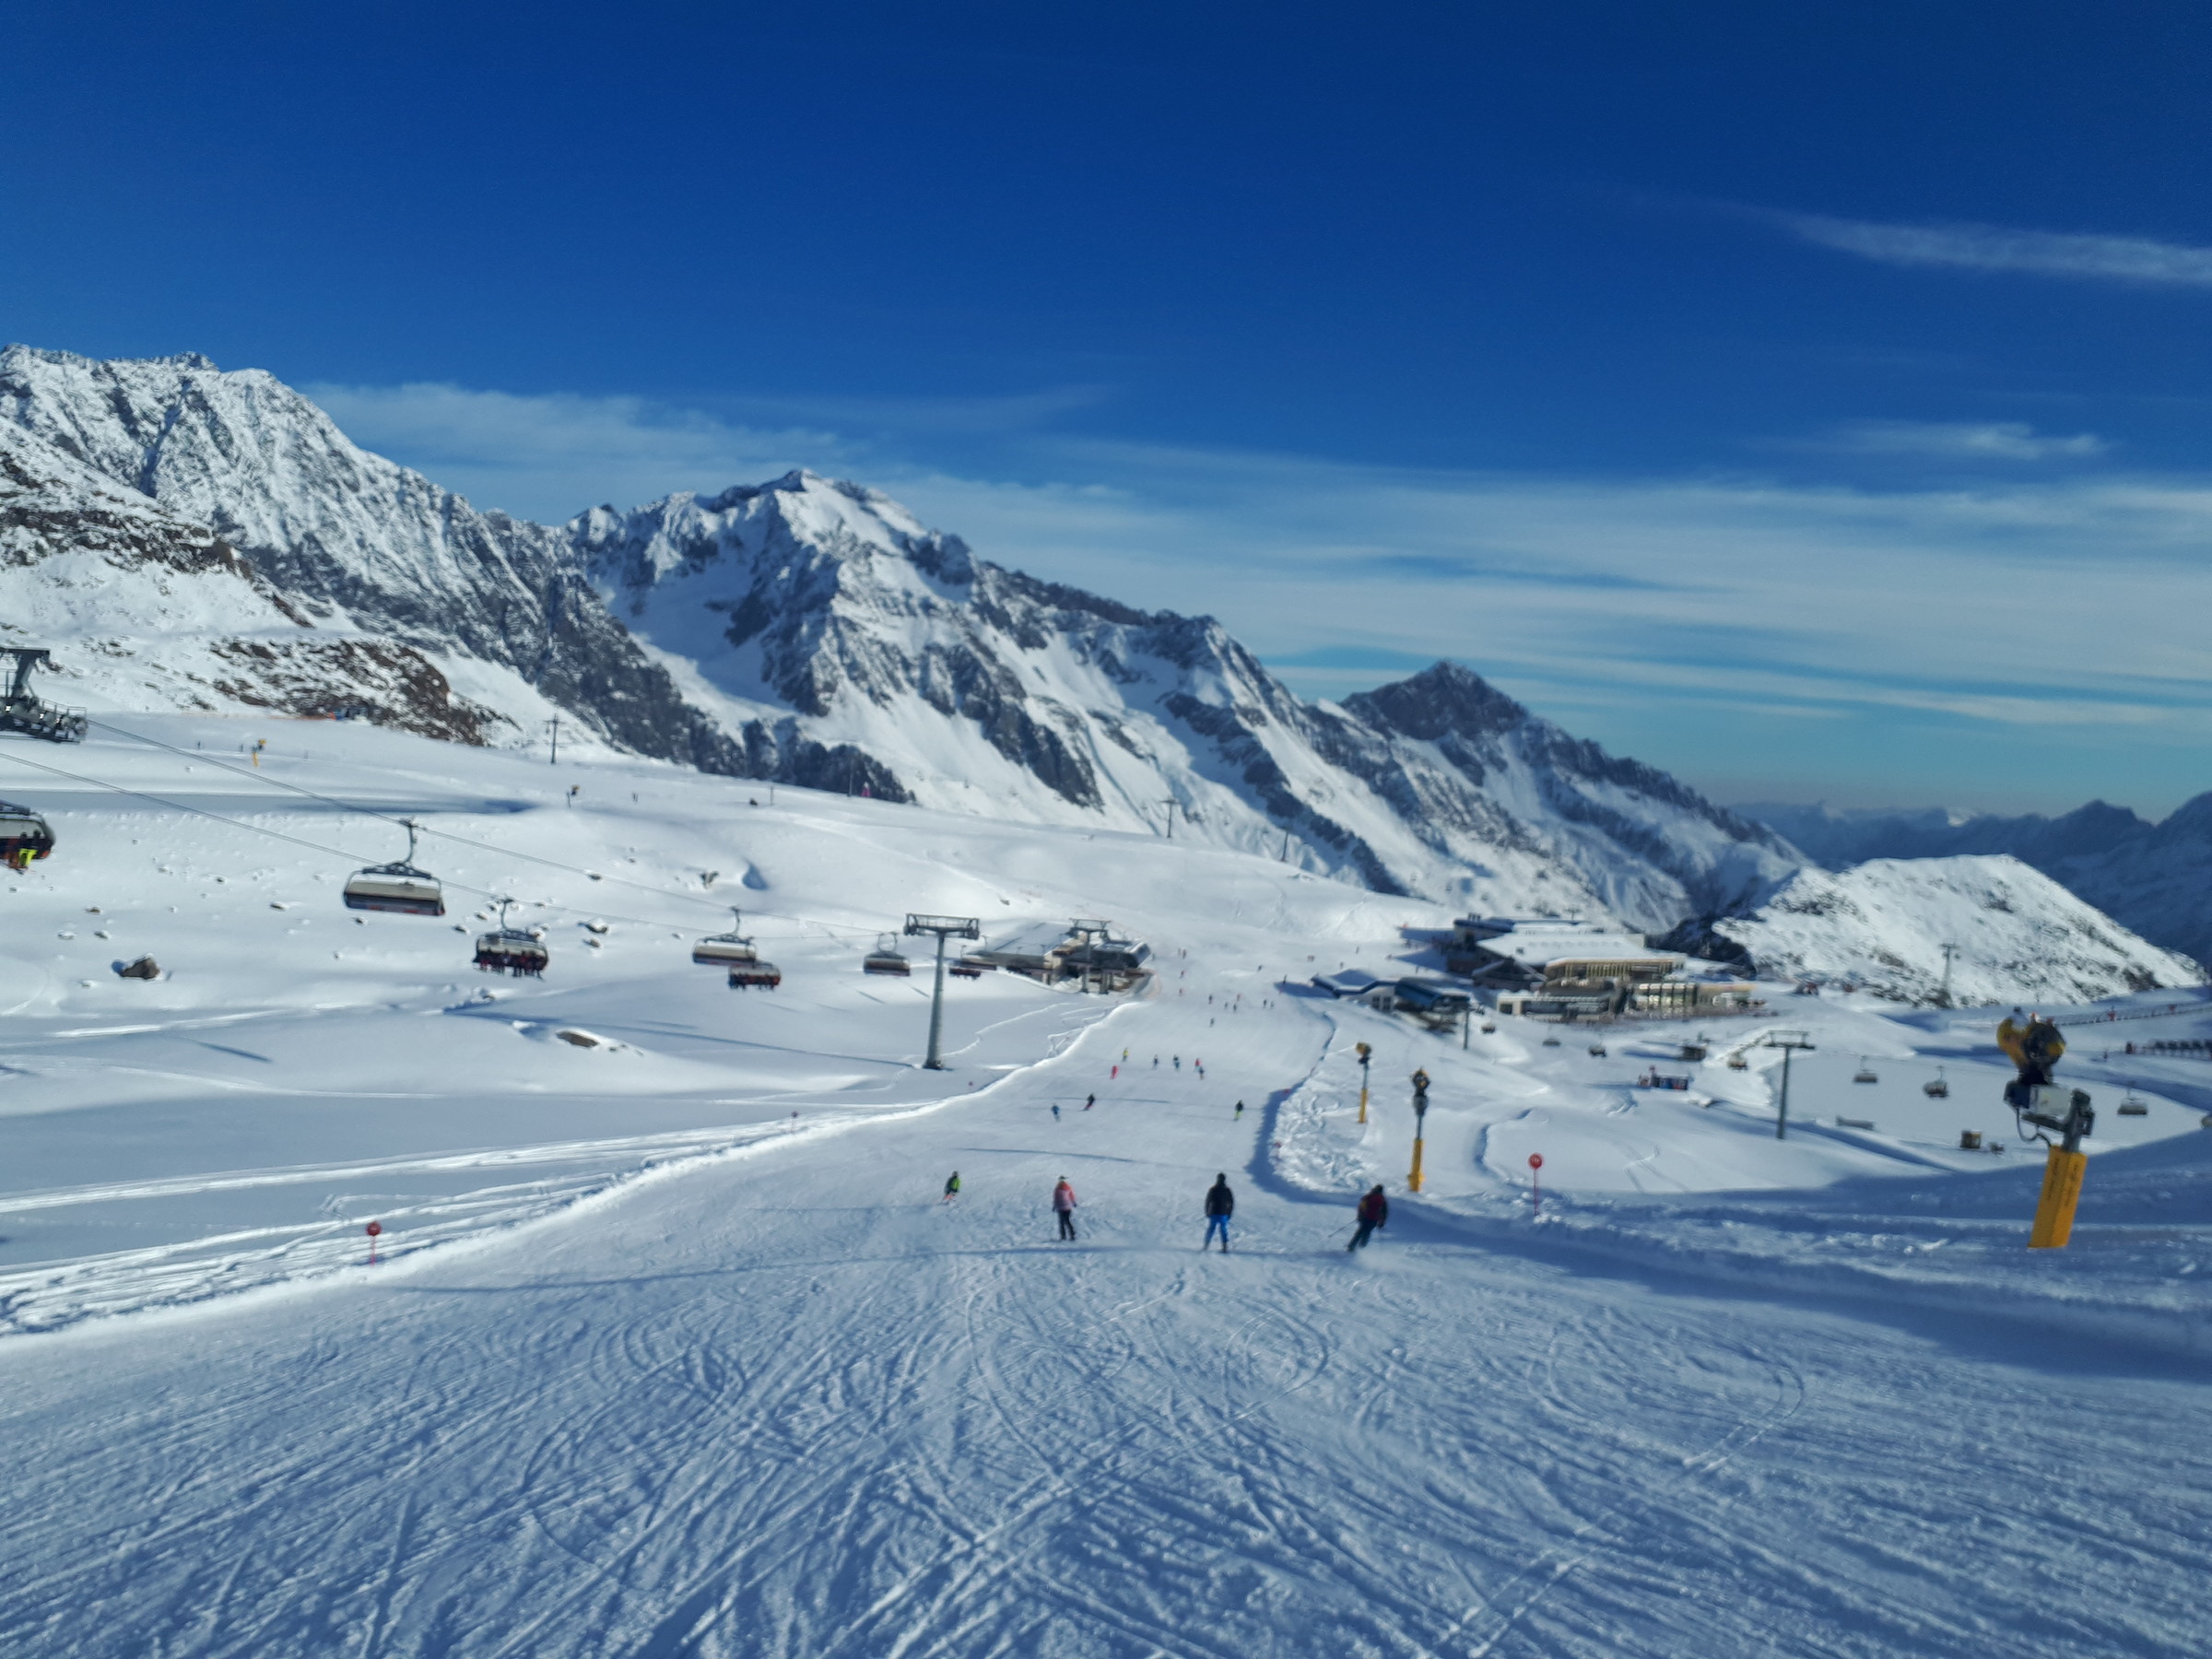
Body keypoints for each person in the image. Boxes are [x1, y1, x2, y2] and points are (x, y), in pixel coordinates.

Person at [1347, 1184, 1388, 1252]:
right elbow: (1384, 1212)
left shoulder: (1369, 1196)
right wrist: (1382, 1222)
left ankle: (1351, 1247)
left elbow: (1361, 1207)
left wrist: (1360, 1216)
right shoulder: (1382, 1199)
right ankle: (1362, 1247)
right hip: (1374, 1219)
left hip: (1365, 1218)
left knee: (1360, 1232)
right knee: (1367, 1233)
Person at [1203, 1172, 1234, 1251]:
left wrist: (1207, 1211)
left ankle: (1206, 1245)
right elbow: (1231, 1202)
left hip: (1214, 1212)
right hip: (1223, 1213)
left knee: (1211, 1229)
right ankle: (1224, 1246)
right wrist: (1229, 1213)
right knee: (1223, 1229)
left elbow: (1208, 1201)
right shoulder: (1227, 1190)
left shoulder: (1213, 1189)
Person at [1053, 1177, 1078, 1241]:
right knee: (1067, 1221)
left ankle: (1063, 1236)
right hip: (1067, 1207)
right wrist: (1073, 1203)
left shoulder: (1057, 1189)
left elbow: (1056, 1199)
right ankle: (1072, 1234)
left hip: (1060, 1207)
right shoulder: (1068, 1187)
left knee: (1061, 1222)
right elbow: (1072, 1196)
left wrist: (1054, 1206)